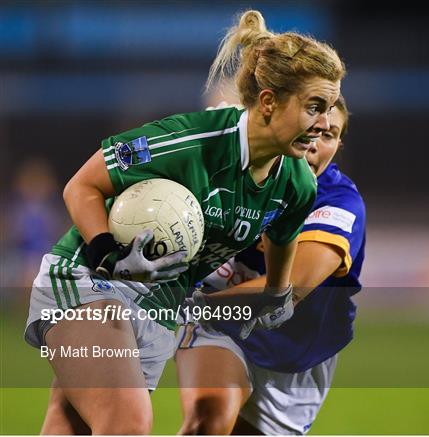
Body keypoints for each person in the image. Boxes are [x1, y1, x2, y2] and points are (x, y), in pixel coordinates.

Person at [24, 10, 345, 435]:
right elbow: (81, 187)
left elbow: (284, 233)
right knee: (127, 425)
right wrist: (108, 255)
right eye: (314, 107)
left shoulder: (296, 183)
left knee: (72, 427)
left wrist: (276, 295)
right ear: (269, 102)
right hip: (92, 282)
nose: (324, 124)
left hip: (160, 308)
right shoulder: (192, 141)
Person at [176, 95, 366, 435]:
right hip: (223, 323)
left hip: (295, 357)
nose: (313, 144)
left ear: (339, 143)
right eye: (309, 129)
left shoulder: (338, 203)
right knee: (208, 418)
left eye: (329, 134)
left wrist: (186, 306)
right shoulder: (232, 172)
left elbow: (289, 290)